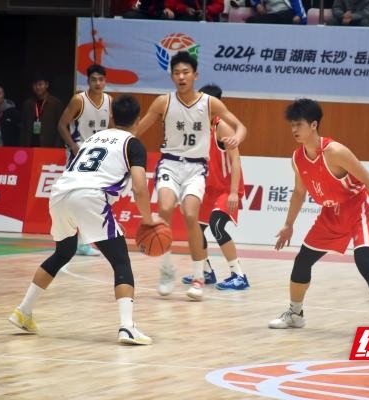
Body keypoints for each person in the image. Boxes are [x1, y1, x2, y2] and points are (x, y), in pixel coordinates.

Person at [8, 94, 163, 345]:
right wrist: (148, 219)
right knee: (121, 260)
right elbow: (139, 187)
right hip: (90, 196)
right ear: (138, 119)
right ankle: (127, 327)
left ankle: (23, 311)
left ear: (111, 117)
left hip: (60, 193)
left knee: (63, 252)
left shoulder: (94, 138)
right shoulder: (133, 145)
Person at [269, 98, 369, 329]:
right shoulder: (297, 159)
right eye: (291, 125)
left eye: (298, 124)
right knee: (302, 260)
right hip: (331, 213)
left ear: (313, 124)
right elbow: (299, 193)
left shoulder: (335, 151)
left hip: (358, 208)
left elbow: (368, 179)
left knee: (365, 263)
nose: (294, 130)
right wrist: (289, 224)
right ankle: (295, 314)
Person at [135, 51, 247, 301]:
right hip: (170, 163)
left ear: (195, 75)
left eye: (186, 72)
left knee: (190, 216)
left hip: (197, 168)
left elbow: (241, 127)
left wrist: (237, 138)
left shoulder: (211, 105)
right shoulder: (163, 102)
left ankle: (199, 277)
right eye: (176, 73)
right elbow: (138, 130)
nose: (181, 77)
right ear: (172, 76)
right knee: (165, 209)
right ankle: (167, 270)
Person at [180, 84, 249, 291]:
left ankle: (239, 275)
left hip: (227, 188)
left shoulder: (222, 127)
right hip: (208, 187)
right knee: (195, 228)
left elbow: (236, 160)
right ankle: (206, 272)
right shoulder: (197, 126)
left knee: (217, 225)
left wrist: (234, 192)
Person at [58, 64, 114, 256]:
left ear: (105, 81)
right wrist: (74, 147)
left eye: (101, 79)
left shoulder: (109, 101)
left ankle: (83, 242)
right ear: (88, 81)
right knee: (74, 196)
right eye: (94, 79)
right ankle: (69, 240)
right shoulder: (79, 100)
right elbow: (61, 125)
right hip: (78, 156)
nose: (98, 83)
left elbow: (112, 129)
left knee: (91, 198)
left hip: (99, 157)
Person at [21, 74, 65, 148]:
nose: (38, 87)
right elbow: (24, 128)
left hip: (49, 145)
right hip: (30, 144)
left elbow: (61, 127)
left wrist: (58, 147)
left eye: (40, 84)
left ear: (46, 85)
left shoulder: (56, 103)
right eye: (35, 85)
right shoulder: (27, 104)